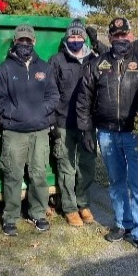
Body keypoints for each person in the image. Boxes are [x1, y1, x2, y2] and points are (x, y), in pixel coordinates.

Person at [76, 17, 138, 257]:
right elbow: (84, 99)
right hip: (107, 133)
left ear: (130, 36)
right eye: (116, 36)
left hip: (136, 134)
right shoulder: (97, 64)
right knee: (116, 182)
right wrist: (85, 130)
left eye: (124, 36)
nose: (121, 40)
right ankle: (123, 223)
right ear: (110, 38)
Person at [0, 24, 60, 236]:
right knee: (13, 174)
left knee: (38, 174)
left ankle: (38, 213)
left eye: (28, 40)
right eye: (20, 40)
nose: (24, 44)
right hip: (14, 132)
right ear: (15, 42)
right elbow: (0, 100)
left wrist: (40, 112)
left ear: (34, 42)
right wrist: (18, 113)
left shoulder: (45, 68)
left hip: (39, 132)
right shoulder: (4, 69)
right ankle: (10, 217)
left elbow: (54, 96)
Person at [48, 19, 98, 227]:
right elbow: (50, 92)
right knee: (66, 166)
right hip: (64, 121)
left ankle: (83, 203)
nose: (75, 40)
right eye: (72, 36)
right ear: (67, 38)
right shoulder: (57, 60)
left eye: (79, 36)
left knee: (86, 164)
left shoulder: (94, 59)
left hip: (88, 123)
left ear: (84, 38)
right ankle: (69, 207)